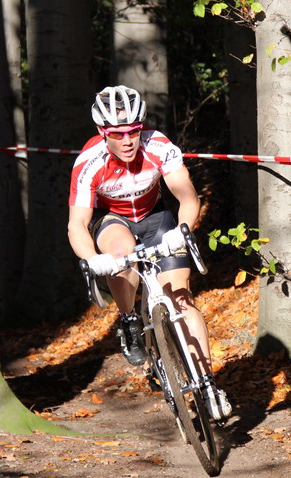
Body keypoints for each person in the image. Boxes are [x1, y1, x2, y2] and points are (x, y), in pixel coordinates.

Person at [67, 85, 231, 420]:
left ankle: (208, 383)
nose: (128, 141)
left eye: (133, 131)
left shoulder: (158, 146)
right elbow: (76, 225)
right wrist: (92, 259)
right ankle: (128, 319)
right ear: (102, 132)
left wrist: (181, 232)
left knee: (181, 298)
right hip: (114, 221)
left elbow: (187, 196)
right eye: (117, 134)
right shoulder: (88, 162)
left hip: (156, 218)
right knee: (120, 252)